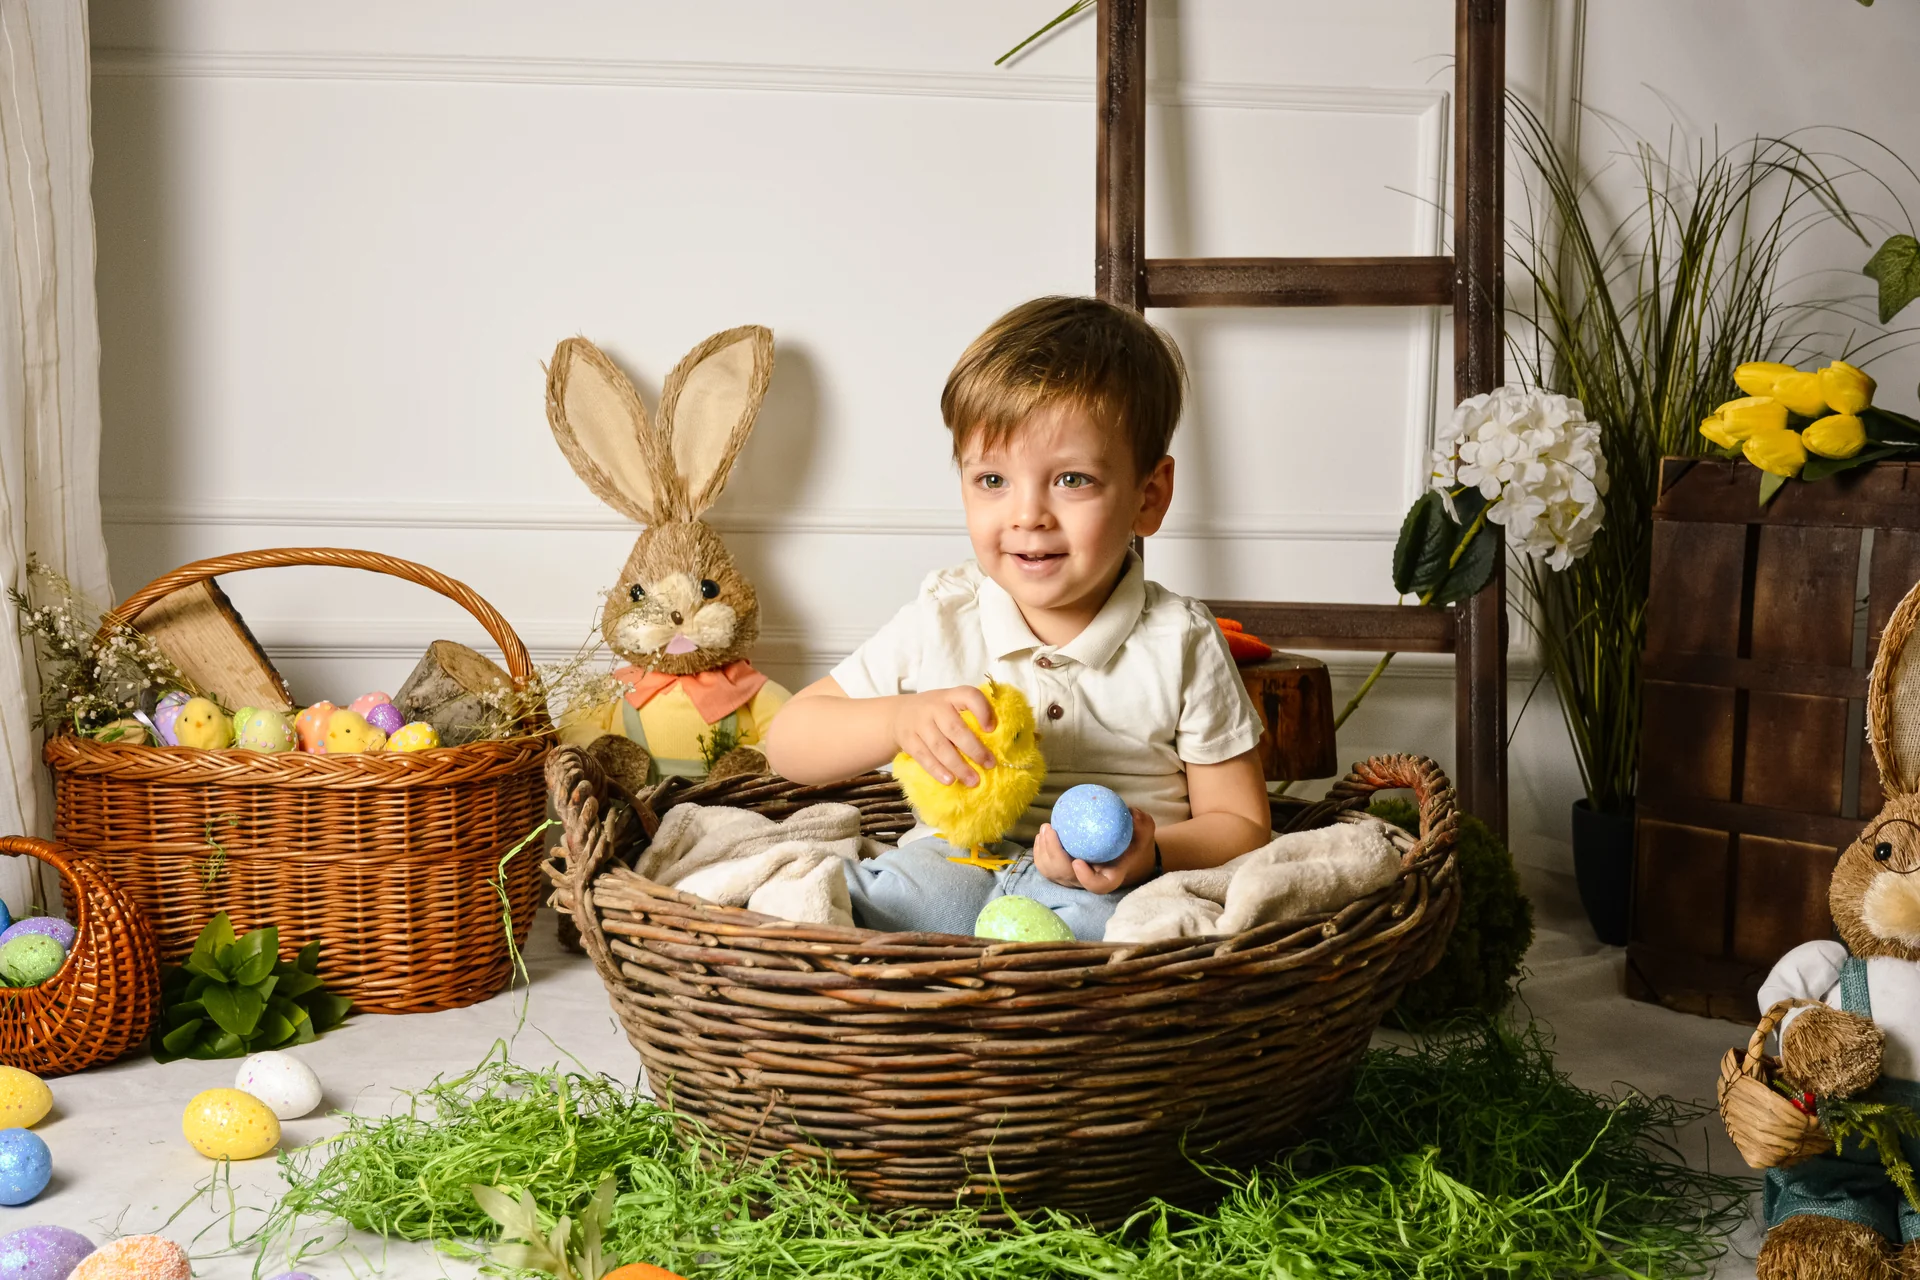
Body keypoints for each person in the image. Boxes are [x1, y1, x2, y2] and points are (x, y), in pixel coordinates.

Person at [763, 295, 1271, 940]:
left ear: (1150, 496)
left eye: (1072, 480)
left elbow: (1243, 824)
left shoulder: (1180, 640)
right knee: (878, 905)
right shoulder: (943, 616)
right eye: (993, 481)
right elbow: (789, 743)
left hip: (1104, 888)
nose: (1028, 514)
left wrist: (1153, 854)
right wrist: (898, 719)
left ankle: (1026, 1010)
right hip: (955, 859)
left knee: (1134, 934)